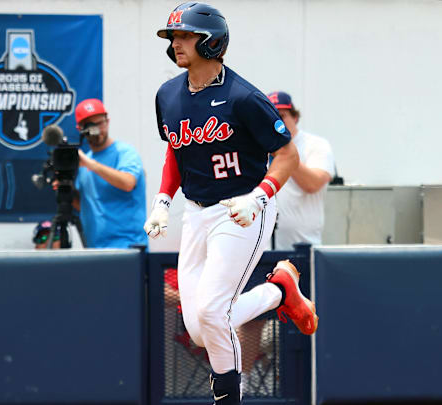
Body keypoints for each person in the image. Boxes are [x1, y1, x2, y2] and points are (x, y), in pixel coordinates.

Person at [144, 3, 318, 404]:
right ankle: (278, 291)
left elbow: (287, 155)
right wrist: (162, 202)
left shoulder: (243, 97)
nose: (177, 43)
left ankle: (227, 398)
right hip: (197, 211)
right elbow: (176, 150)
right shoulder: (167, 94)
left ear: (212, 41)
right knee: (201, 328)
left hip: (242, 209)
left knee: (211, 314)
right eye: (174, 37)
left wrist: (259, 197)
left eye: (186, 35)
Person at [73, 98, 148, 248]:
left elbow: (128, 183)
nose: (96, 130)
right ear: (79, 128)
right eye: (89, 125)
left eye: (99, 123)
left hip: (128, 248)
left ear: (107, 121)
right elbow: (84, 204)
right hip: (94, 251)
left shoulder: (125, 152)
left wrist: (91, 165)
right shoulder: (84, 161)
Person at [267, 91, 335, 249]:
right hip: (262, 247)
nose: (276, 122)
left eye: (282, 116)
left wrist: (285, 153)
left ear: (295, 118)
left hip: (302, 245)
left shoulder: (316, 145)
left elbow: (313, 183)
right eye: (271, 117)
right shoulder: (259, 148)